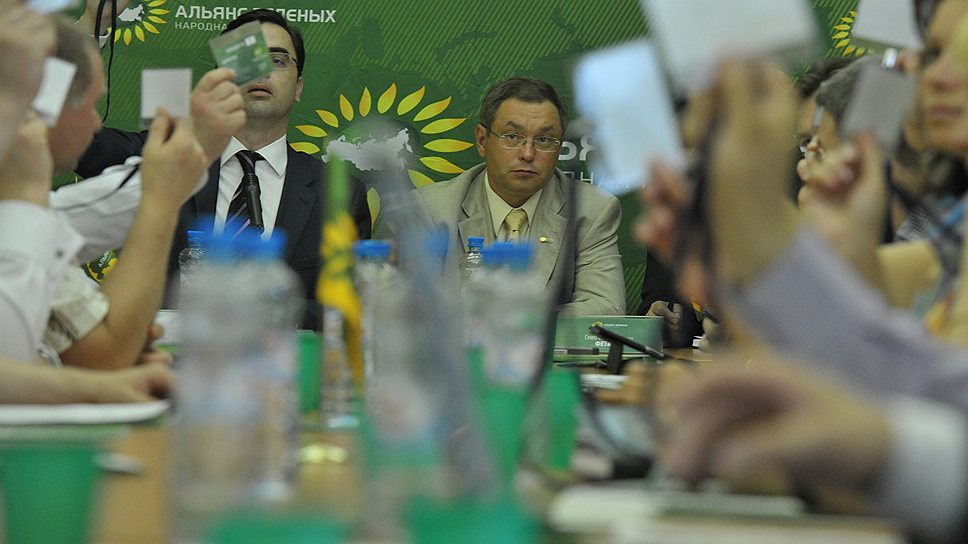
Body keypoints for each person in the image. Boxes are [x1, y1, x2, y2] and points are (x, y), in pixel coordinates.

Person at [75, 9, 372, 328]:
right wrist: (94, 22)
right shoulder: (166, 156)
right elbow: (69, 138)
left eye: (277, 60)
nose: (262, 71)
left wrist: (265, 312)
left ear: (298, 87)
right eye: (246, 59)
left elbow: (351, 311)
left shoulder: (340, 194)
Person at [35, 18, 237, 370]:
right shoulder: (23, 226)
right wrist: (164, 193)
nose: (97, 122)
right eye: (90, 104)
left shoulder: (33, 219)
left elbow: (77, 214)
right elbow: (105, 352)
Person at [410, 76, 625, 316]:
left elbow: (606, 308)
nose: (528, 153)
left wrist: (515, 324)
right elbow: (413, 310)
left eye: (544, 140)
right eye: (512, 136)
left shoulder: (591, 210)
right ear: (482, 140)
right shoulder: (430, 209)